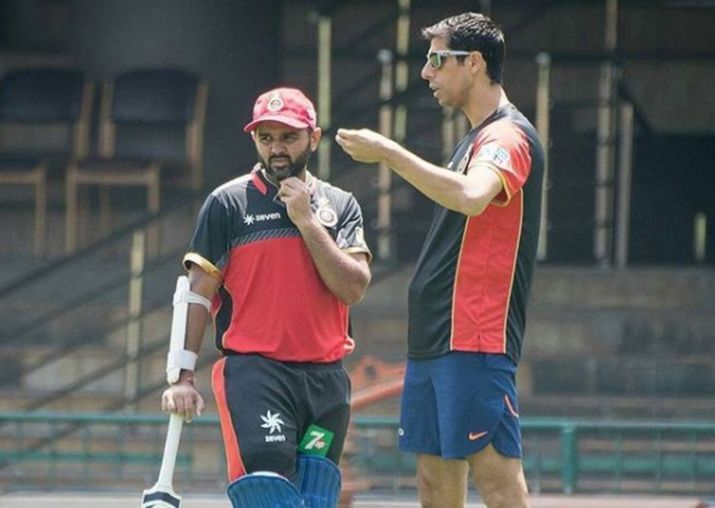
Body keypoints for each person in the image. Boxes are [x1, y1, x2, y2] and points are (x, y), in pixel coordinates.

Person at [336, 12, 543, 508]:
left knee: (497, 483)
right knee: (433, 487)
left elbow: (473, 196)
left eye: (436, 60)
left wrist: (389, 152)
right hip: (433, 338)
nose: (426, 74)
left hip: (473, 337)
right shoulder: (473, 138)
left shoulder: (507, 136)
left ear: (473, 63)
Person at [161, 87, 372, 505]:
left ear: (314, 137)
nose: (276, 149)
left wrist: (307, 222)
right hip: (257, 376)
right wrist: (182, 377)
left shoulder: (341, 206)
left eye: (288, 137)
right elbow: (197, 294)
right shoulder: (227, 203)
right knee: (269, 495)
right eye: (266, 137)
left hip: (326, 380)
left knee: (315, 498)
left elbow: (353, 287)